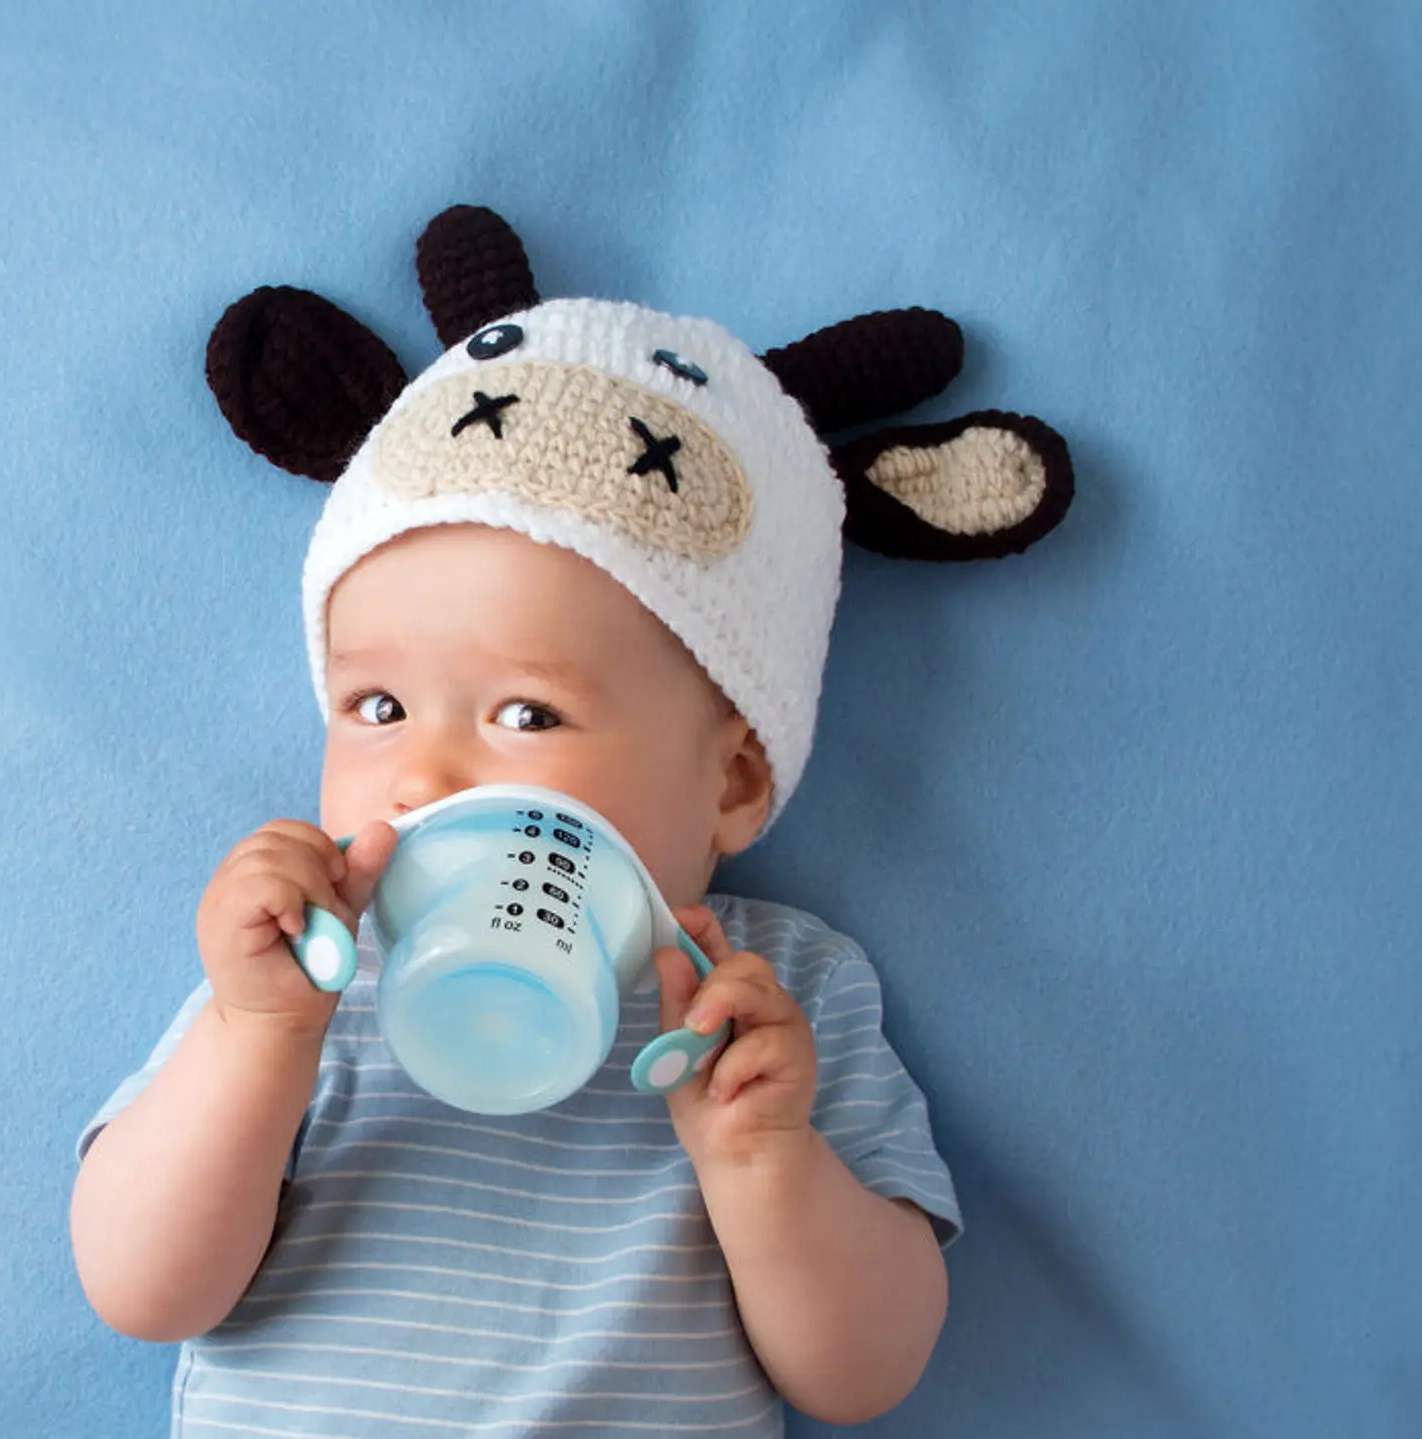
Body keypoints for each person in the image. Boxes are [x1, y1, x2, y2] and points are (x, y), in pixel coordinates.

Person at [70, 206, 1062, 1433]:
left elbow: (861, 1377)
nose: (422, 774)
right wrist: (256, 1037)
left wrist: (762, 1159)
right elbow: (142, 1291)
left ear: (731, 783)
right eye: (377, 705)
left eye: (527, 713)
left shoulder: (770, 1002)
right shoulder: (303, 969)